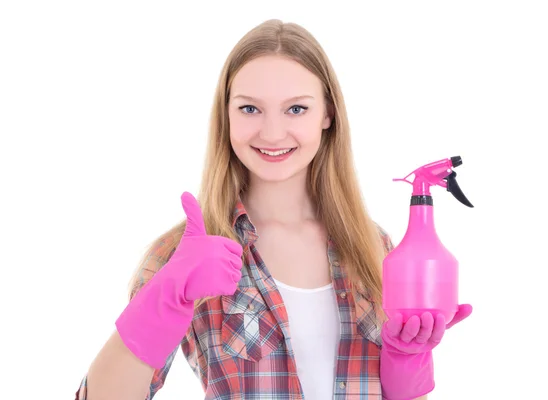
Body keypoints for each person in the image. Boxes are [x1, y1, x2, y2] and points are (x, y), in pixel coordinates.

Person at [75, 19, 471, 400]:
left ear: (327, 115)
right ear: (226, 115)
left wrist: (408, 362)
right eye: (250, 109)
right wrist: (166, 294)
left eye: (296, 109)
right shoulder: (187, 252)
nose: (272, 132)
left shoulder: (374, 247)